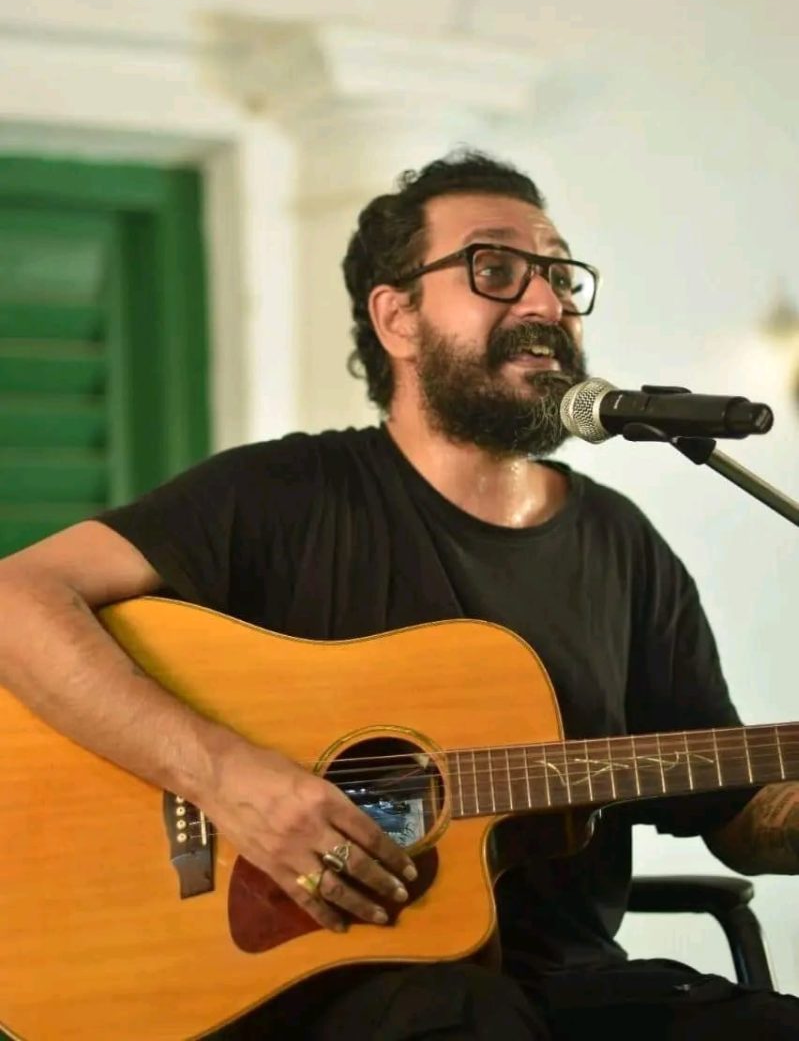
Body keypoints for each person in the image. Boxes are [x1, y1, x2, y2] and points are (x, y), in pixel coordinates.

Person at [1, 151, 798, 1041]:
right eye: (495, 268)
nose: (545, 302)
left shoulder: (622, 545)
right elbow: (14, 598)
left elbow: (735, 811)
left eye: (559, 274)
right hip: (319, 987)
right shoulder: (281, 495)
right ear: (397, 318)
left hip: (573, 987)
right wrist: (222, 776)